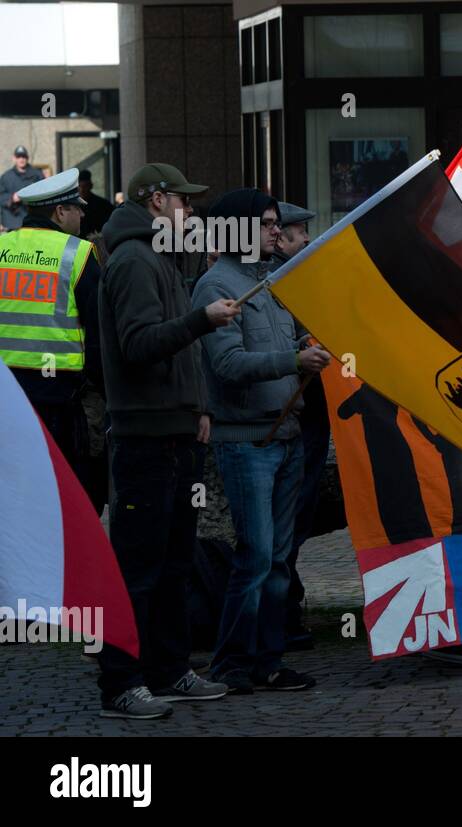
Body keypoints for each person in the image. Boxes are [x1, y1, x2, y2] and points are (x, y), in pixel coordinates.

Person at [97, 162, 236, 719]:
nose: (192, 212)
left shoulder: (156, 256)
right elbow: (140, 345)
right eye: (183, 202)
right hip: (145, 439)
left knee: (176, 563)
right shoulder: (133, 260)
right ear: (156, 202)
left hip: (174, 433)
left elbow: (177, 352)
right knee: (138, 570)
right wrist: (202, 318)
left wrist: (197, 408)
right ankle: (120, 684)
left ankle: (169, 669)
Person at [192, 189, 328, 694]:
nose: (278, 230)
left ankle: (268, 662)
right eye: (268, 223)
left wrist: (303, 347)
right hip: (247, 442)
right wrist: (293, 362)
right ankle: (231, 664)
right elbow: (227, 366)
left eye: (276, 223)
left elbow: (281, 346)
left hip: (286, 435)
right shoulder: (215, 285)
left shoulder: (269, 282)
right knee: (255, 556)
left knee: (277, 559)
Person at [0, 168, 107, 512]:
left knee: (15, 495)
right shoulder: (78, 254)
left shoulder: (2, 248)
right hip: (60, 398)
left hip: (8, 395)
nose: (83, 213)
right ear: (60, 212)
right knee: (61, 496)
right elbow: (98, 335)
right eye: (77, 207)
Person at [272, 202, 325, 651]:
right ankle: (281, 616)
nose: (306, 240)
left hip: (302, 422)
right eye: (296, 233)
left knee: (291, 522)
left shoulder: (291, 278)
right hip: (296, 422)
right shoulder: (283, 284)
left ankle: (285, 610)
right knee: (286, 522)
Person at [0, 147, 45, 232]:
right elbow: (1, 196)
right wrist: (12, 198)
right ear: (14, 158)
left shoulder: (37, 174)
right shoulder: (6, 177)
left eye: (23, 157)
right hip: (13, 222)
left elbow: (45, 192)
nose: (21, 159)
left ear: (27, 158)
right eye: (19, 157)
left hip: (33, 221)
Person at [77, 168, 116, 238]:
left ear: (90, 186)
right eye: (80, 186)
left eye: (85, 186)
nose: (82, 190)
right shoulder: (73, 206)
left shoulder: (103, 205)